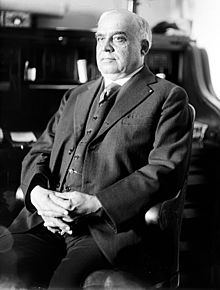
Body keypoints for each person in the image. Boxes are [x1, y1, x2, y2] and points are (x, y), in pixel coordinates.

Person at [0, 9, 193, 289]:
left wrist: (96, 203)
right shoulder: (76, 95)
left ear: (144, 47)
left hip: (106, 231)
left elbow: (165, 170)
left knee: (63, 285)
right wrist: (38, 193)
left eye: (119, 38)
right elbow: (39, 151)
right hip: (46, 221)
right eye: (101, 38)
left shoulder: (168, 97)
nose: (106, 47)